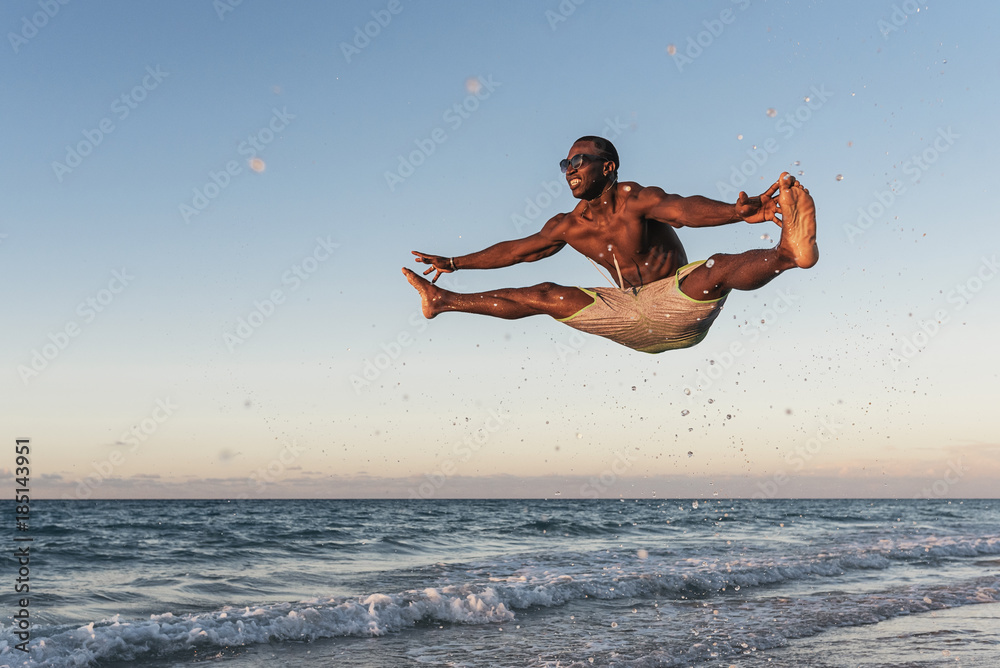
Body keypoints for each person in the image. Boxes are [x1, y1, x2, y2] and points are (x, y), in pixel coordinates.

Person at [402, 136, 817, 354]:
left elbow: (682, 210)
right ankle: (443, 301)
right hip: (624, 315)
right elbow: (517, 251)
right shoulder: (567, 225)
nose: (570, 170)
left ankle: (787, 253)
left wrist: (735, 212)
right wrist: (455, 262)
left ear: (607, 168)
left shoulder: (635, 198)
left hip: (675, 303)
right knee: (544, 295)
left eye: (578, 161)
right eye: (565, 164)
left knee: (718, 266)